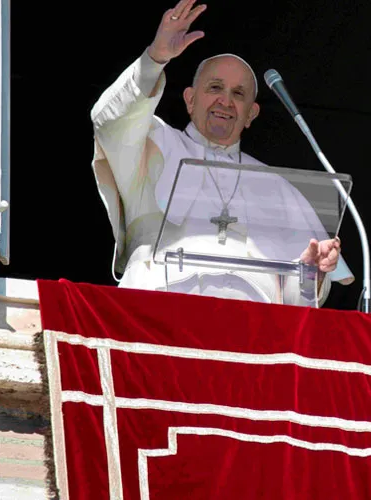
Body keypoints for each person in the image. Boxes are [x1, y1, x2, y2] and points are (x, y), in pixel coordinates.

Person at [90, 0, 353, 305]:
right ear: (190, 100)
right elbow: (110, 121)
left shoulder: (279, 187)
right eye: (215, 88)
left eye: (238, 94)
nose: (225, 102)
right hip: (161, 309)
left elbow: (296, 300)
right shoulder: (153, 144)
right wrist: (155, 57)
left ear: (251, 114)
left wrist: (311, 274)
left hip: (252, 331)